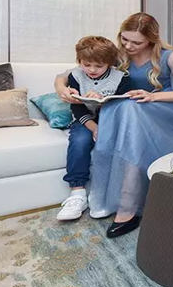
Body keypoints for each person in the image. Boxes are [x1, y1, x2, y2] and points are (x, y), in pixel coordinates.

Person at [56, 13, 173, 238]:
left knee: (128, 107)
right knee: (126, 108)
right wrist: (62, 89)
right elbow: (65, 75)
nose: (129, 46)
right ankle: (119, 200)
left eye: (136, 42)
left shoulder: (168, 57)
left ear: (151, 40)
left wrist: (152, 96)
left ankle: (128, 207)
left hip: (169, 112)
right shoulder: (119, 54)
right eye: (124, 39)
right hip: (132, 113)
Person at [56, 36, 130, 221]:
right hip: (85, 121)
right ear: (79, 61)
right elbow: (77, 108)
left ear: (109, 63)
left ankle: (111, 193)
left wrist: (101, 104)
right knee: (80, 140)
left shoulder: (121, 78)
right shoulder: (75, 76)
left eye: (99, 66)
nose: (92, 70)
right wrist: (94, 128)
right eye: (86, 64)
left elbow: (123, 106)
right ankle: (77, 194)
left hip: (111, 121)